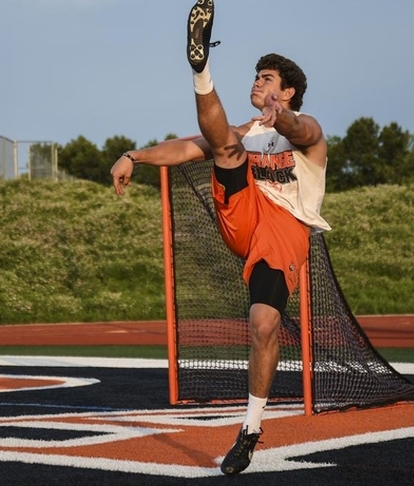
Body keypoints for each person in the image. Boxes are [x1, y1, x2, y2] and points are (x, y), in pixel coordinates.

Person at [110, 0, 331, 476]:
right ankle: (201, 69)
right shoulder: (243, 132)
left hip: (283, 229)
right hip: (242, 215)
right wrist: (133, 155)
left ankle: (250, 429)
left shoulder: (306, 136)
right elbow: (187, 146)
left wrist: (282, 117)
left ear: (289, 91)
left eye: (267, 79)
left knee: (264, 325)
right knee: (225, 145)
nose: (257, 81)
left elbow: (303, 126)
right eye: (255, 75)